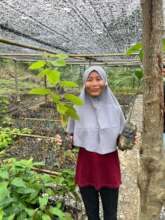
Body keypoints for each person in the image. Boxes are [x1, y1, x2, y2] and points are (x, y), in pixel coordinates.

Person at [66, 66, 126, 220]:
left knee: (110, 215)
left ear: (105, 82)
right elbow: (71, 139)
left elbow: (122, 140)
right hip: (87, 168)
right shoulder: (77, 108)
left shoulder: (115, 109)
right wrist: (65, 140)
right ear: (84, 83)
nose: (94, 83)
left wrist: (127, 141)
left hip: (109, 169)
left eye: (98, 79)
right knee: (92, 215)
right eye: (89, 79)